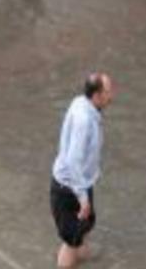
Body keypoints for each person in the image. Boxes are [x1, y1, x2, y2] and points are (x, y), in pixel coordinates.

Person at [50, 72, 114, 268]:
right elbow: (73, 161)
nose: (112, 95)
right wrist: (82, 198)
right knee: (71, 240)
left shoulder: (82, 102)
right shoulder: (84, 120)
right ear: (97, 95)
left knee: (83, 228)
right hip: (69, 188)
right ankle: (70, 258)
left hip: (80, 183)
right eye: (108, 91)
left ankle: (82, 256)